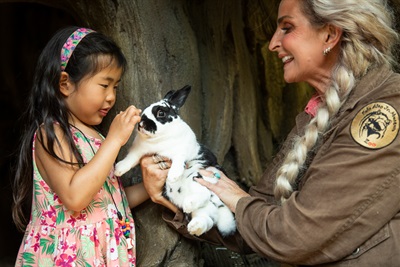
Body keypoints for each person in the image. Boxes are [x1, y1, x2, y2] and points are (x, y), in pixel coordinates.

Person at [139, 0, 400, 266]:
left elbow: (294, 236)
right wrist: (172, 195)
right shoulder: (319, 111)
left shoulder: (384, 110)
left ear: (330, 35)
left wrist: (237, 198)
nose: (273, 43)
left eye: (287, 28)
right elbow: (251, 226)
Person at [12, 26, 149, 266]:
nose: (111, 97)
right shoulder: (51, 133)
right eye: (104, 85)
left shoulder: (95, 138)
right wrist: (115, 140)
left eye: (115, 87)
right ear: (65, 84)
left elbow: (108, 199)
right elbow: (75, 197)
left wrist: (150, 188)